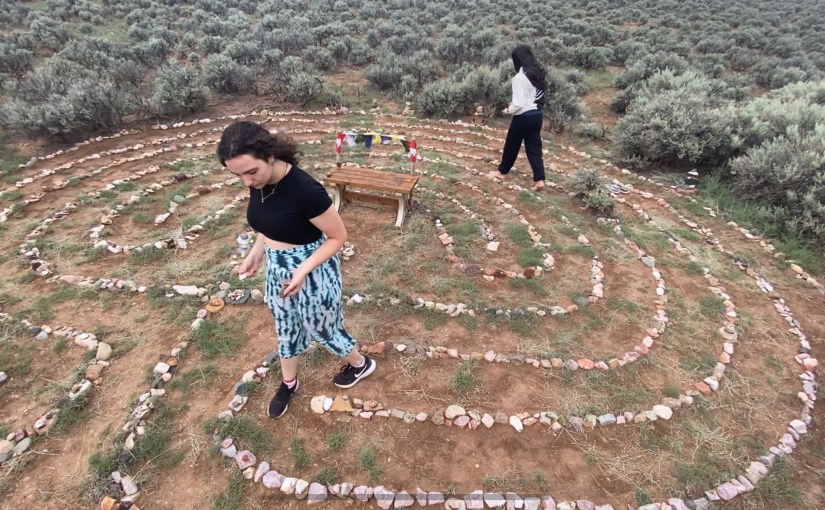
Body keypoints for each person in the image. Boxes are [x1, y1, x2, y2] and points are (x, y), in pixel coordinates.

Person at [217, 121, 377, 419]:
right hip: (277, 269)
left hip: (312, 270)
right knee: (285, 324)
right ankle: (289, 382)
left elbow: (338, 237)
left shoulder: (305, 190)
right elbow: (270, 223)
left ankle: (360, 364)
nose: (246, 183)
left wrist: (303, 270)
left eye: (251, 172)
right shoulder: (260, 183)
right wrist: (256, 252)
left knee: (321, 326)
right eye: (237, 175)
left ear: (271, 155)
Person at [491, 44, 547, 191]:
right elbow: (533, 98)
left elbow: (519, 104)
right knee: (534, 147)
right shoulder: (539, 73)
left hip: (523, 117)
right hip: (538, 115)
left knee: (512, 144)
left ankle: (501, 172)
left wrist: (507, 110)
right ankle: (539, 179)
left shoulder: (520, 77)